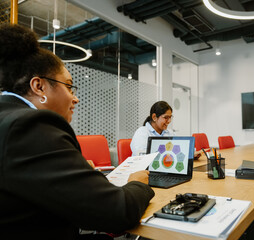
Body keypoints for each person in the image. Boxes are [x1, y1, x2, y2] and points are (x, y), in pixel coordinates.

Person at [0, 24, 154, 239]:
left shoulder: (8, 117)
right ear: (39, 86)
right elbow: (117, 213)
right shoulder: (29, 126)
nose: (75, 97)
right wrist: (138, 183)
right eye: (69, 86)